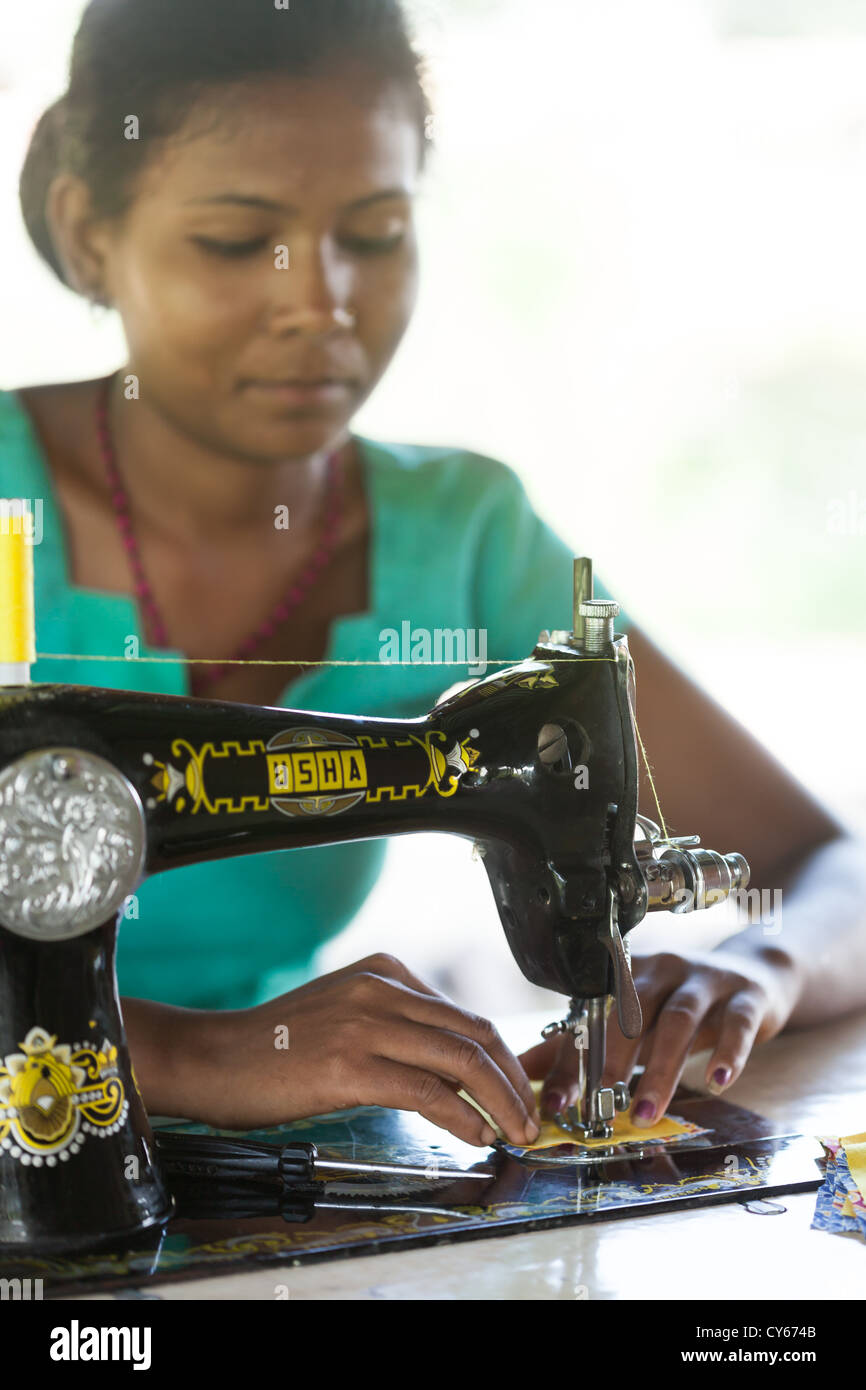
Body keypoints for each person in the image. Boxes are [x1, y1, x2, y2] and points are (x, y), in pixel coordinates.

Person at [4, 0, 863, 1150]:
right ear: (86, 230)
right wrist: (196, 1053)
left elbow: (823, 866)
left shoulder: (460, 535)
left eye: (371, 233)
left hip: (284, 1175)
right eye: (231, 241)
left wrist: (752, 964)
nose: (322, 304)